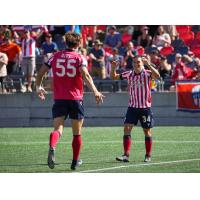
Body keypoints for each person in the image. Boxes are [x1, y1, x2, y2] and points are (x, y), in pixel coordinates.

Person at [36, 32, 105, 170]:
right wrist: (96, 91)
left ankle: (53, 146)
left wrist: (38, 86)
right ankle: (75, 161)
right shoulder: (79, 57)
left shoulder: (54, 56)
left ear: (65, 43)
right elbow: (85, 74)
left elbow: (41, 72)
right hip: (75, 98)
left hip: (60, 98)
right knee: (77, 133)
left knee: (57, 129)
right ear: (78, 43)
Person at [110, 55, 160, 162]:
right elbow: (114, 77)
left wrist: (149, 65)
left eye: (139, 62)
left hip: (145, 108)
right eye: (134, 62)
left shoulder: (147, 73)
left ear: (142, 63)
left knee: (147, 131)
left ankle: (148, 155)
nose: (136, 64)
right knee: (127, 129)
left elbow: (157, 75)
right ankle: (126, 155)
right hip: (132, 107)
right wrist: (113, 67)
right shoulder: (129, 74)